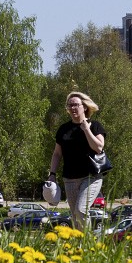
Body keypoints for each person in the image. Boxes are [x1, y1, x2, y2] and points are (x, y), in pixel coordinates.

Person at [48, 91, 106, 230]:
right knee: (75, 217)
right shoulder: (63, 129)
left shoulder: (95, 126)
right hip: (70, 179)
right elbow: (57, 154)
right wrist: (52, 174)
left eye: (76, 105)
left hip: (91, 177)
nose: (73, 108)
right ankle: (80, 248)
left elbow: (98, 147)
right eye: (70, 105)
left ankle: (89, 243)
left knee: (81, 210)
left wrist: (86, 129)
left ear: (84, 107)